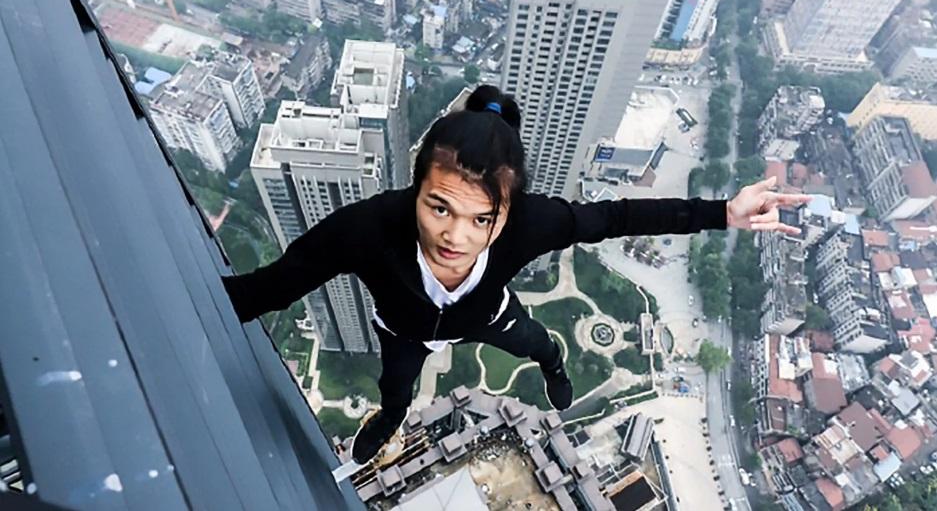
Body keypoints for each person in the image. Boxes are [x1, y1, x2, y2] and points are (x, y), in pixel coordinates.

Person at [222, 85, 810, 465]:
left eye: (484, 218)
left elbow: (618, 216)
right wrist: (224, 302)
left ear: (508, 210)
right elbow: (280, 281)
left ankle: (553, 365)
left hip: (490, 314)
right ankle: (392, 419)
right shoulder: (370, 227)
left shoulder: (533, 222)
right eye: (439, 207)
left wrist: (721, 213)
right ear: (416, 188)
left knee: (537, 343)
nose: (458, 237)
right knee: (395, 389)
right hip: (403, 329)